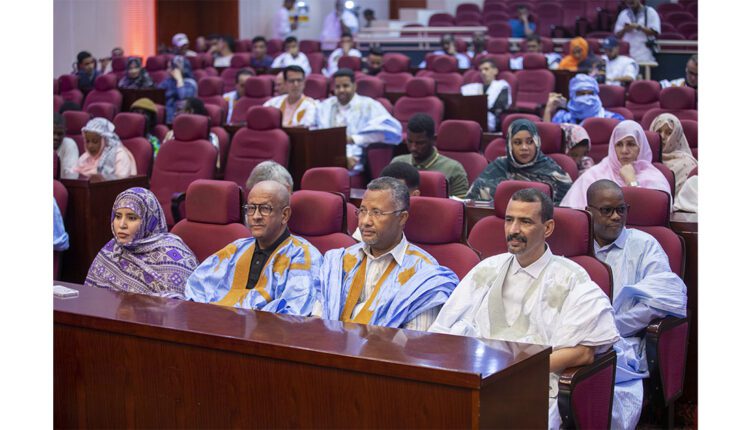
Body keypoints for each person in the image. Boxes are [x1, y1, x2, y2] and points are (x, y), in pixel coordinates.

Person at [430, 188, 619, 429]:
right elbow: (443, 332)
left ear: (547, 228)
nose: (513, 230)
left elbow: (583, 353)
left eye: (525, 222)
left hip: (537, 386)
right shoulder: (486, 269)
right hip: (475, 380)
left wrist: (511, 372)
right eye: (509, 220)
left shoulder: (571, 278)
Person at [586, 179, 687, 430]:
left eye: (621, 209)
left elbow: (659, 302)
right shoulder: (577, 246)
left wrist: (611, 327)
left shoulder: (645, 245)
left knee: (586, 387)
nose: (616, 217)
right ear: (588, 212)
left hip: (624, 343)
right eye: (607, 210)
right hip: (575, 339)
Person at [314, 177, 459, 329]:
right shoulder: (339, 261)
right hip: (330, 342)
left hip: (386, 345)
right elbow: (316, 323)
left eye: (377, 213)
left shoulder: (424, 272)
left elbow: (416, 338)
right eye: (362, 211)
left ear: (402, 218)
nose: (365, 221)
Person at [185, 181, 322, 315]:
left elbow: (295, 311)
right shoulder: (236, 249)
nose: (256, 216)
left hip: (268, 329)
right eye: (251, 208)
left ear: (284, 215)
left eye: (265, 209)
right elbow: (196, 288)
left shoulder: (303, 255)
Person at [84, 188, 197, 298]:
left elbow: (179, 306)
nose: (122, 225)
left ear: (149, 220)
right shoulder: (112, 249)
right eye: (118, 216)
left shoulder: (172, 255)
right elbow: (91, 298)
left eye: (132, 218)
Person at [561, 120, 671, 209]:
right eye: (619, 144)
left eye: (631, 144)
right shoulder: (594, 175)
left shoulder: (653, 177)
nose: (624, 150)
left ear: (640, 147)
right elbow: (574, 213)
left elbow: (651, 214)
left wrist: (632, 182)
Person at [314, 68, 403, 175]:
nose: (341, 90)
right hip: (326, 153)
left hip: (355, 156)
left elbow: (390, 131)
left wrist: (353, 139)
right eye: (337, 87)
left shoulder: (369, 105)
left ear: (355, 86)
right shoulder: (325, 106)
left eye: (345, 86)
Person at [466, 119, 572, 204]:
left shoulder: (553, 172)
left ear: (537, 143)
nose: (524, 147)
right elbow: (472, 202)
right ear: (510, 145)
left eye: (530, 142)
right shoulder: (499, 166)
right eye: (517, 143)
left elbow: (566, 207)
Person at [391, 113, 469, 197]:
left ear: (433, 139)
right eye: (409, 141)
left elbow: (460, 203)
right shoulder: (397, 164)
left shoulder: (453, 169)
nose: (413, 148)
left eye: (420, 143)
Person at [544, 74, 625, 124]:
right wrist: (548, 110)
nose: (586, 97)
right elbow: (548, 139)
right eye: (581, 94)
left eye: (590, 93)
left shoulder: (613, 119)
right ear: (572, 96)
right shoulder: (562, 118)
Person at [649, 113, 697, 194]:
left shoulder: (687, 164)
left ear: (676, 136)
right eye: (659, 131)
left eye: (669, 133)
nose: (662, 136)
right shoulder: (644, 159)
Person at [460, 58, 511, 132]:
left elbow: (499, 107)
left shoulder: (501, 86)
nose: (483, 72)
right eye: (481, 70)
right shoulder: (473, 87)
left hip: (492, 122)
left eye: (486, 69)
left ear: (495, 71)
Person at [158, 56, 198, 124]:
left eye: (170, 68)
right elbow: (158, 93)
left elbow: (183, 96)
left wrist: (179, 80)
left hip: (184, 119)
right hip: (167, 117)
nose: (167, 70)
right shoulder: (169, 81)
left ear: (178, 69)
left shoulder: (191, 83)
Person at [54, 112, 79, 179]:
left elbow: (71, 177)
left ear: (65, 132)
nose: (55, 137)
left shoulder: (69, 144)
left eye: (59, 134)